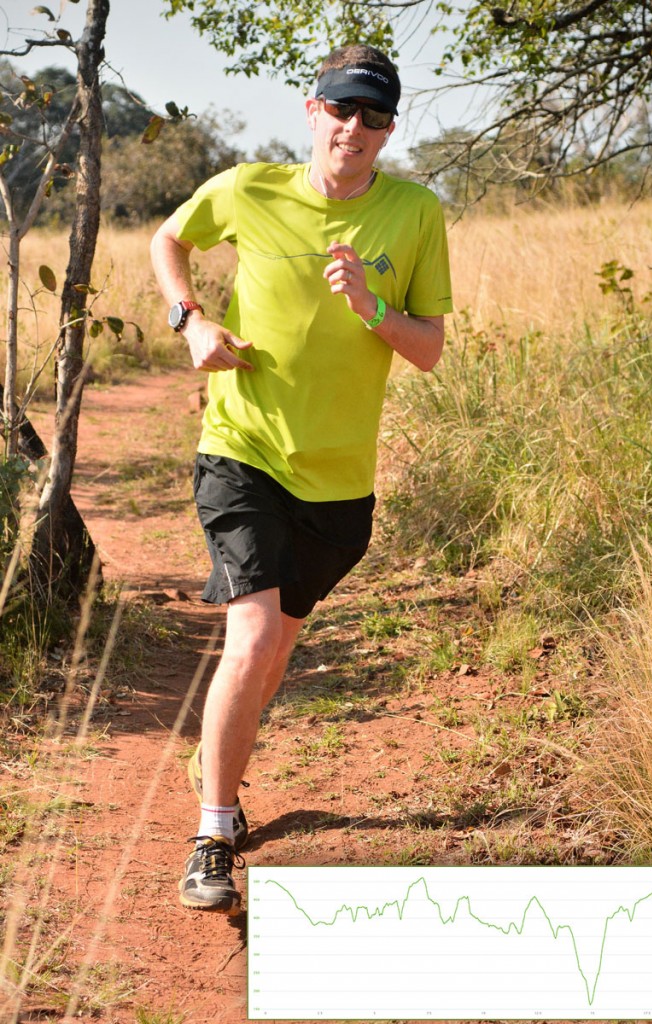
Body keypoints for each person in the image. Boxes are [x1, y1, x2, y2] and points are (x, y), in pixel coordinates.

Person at [150, 43, 452, 915]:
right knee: (250, 639)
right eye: (342, 109)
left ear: (389, 128)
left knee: (277, 644)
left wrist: (372, 308)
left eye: (375, 116)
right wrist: (190, 320)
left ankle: (225, 780)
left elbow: (427, 349)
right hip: (241, 449)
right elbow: (170, 237)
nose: (355, 129)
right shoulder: (249, 188)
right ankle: (212, 835)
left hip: (339, 481)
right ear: (312, 110)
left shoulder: (415, 213)